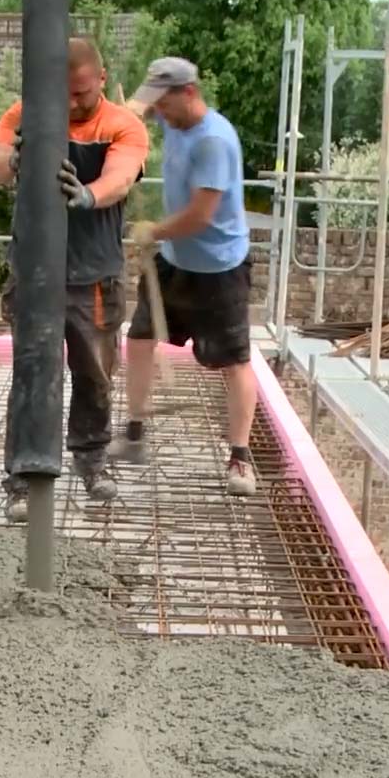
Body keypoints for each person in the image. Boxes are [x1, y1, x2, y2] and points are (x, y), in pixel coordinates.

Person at [0, 37, 149, 522]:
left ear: (102, 79)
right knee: (32, 375)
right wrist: (15, 160)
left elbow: (121, 176)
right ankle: (21, 476)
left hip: (93, 276)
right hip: (34, 272)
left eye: (81, 93)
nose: (72, 104)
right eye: (64, 93)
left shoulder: (122, 125)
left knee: (95, 376)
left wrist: (89, 195)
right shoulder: (26, 114)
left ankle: (91, 459)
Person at [115, 57, 259, 495]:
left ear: (189, 93)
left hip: (219, 269)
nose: (158, 111)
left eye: (164, 103)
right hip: (175, 260)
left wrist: (153, 231)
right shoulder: (173, 119)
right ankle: (135, 433)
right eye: (155, 103)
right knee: (139, 339)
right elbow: (137, 113)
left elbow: (200, 216)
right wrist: (125, 118)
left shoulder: (213, 141)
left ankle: (240, 458)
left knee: (233, 362)